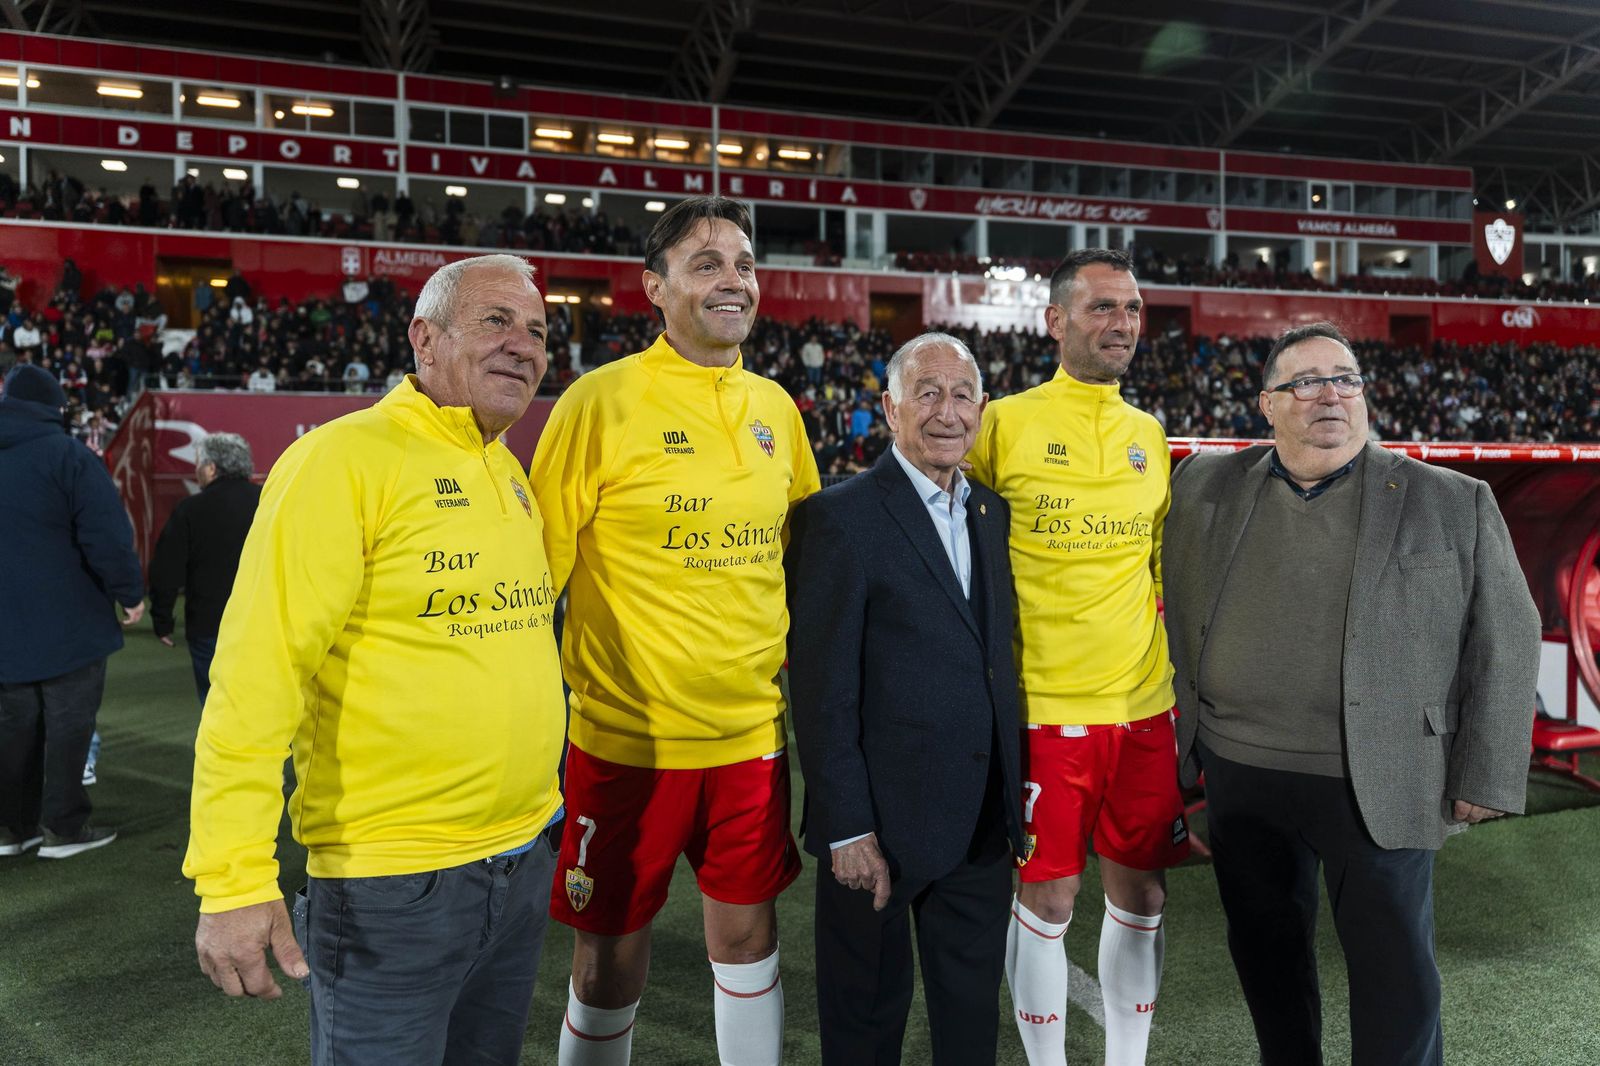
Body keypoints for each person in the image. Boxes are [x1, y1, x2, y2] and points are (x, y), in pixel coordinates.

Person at [183, 254, 568, 1066]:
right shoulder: (341, 461)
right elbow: (256, 679)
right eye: (496, 321)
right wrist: (233, 879)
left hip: (523, 857)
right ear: (424, 339)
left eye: (537, 330)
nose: (523, 345)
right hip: (393, 882)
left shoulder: (508, 471)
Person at [1162, 321, 1540, 1066]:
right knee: (1268, 963)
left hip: (1383, 771)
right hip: (1241, 770)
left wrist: (1484, 773)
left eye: (1344, 378)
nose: (1328, 394)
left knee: (1395, 978)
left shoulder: (1451, 500)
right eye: (1304, 382)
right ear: (1266, 404)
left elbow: (1509, 635)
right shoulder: (1202, 481)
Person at [529, 196, 820, 1066]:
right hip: (625, 745)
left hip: (749, 741)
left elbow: (802, 564)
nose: (733, 280)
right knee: (608, 961)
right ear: (654, 287)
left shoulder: (778, 409)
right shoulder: (597, 403)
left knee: (748, 942)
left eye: (743, 264)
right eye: (707, 264)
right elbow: (535, 571)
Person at [967, 248, 1185, 1066]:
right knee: (1049, 897)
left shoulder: (1148, 433)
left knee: (1145, 892)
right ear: (1054, 320)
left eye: (1130, 308)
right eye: (1101, 308)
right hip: (1047, 706)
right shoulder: (1005, 423)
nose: (1121, 323)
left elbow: (1158, 567)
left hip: (1143, 706)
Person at [787, 332, 1025, 1065]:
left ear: (982, 410)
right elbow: (821, 692)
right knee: (865, 1027)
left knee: (969, 1027)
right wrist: (847, 826)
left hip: (982, 824)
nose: (946, 412)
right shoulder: (840, 517)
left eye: (960, 396)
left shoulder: (992, 512)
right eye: (927, 393)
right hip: (880, 834)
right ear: (889, 408)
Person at [0, 364, 144, 859]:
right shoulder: (69, 456)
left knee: (12, 728)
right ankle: (61, 827)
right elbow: (105, 535)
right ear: (55, 407)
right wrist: (129, 592)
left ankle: (12, 830)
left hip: (6, 626)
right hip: (70, 621)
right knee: (69, 725)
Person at [149, 432, 262, 702]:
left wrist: (162, 620)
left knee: (216, 706)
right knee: (264, 703)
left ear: (211, 468)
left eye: (198, 464)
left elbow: (166, 569)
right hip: (265, 621)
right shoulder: (270, 500)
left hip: (210, 624)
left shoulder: (190, 509)